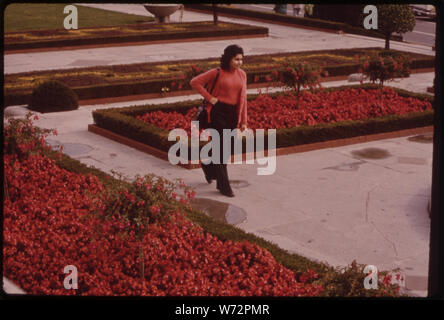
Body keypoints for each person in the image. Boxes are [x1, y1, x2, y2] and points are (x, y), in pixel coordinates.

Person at [190, 44, 247, 197]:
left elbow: (243, 99)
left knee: (225, 150)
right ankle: (224, 186)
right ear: (228, 58)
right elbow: (194, 82)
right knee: (221, 150)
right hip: (217, 113)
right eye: (236, 59)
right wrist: (210, 98)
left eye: (241, 59)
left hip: (232, 114)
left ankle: (208, 166)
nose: (239, 62)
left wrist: (243, 121)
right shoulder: (217, 72)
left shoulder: (242, 75)